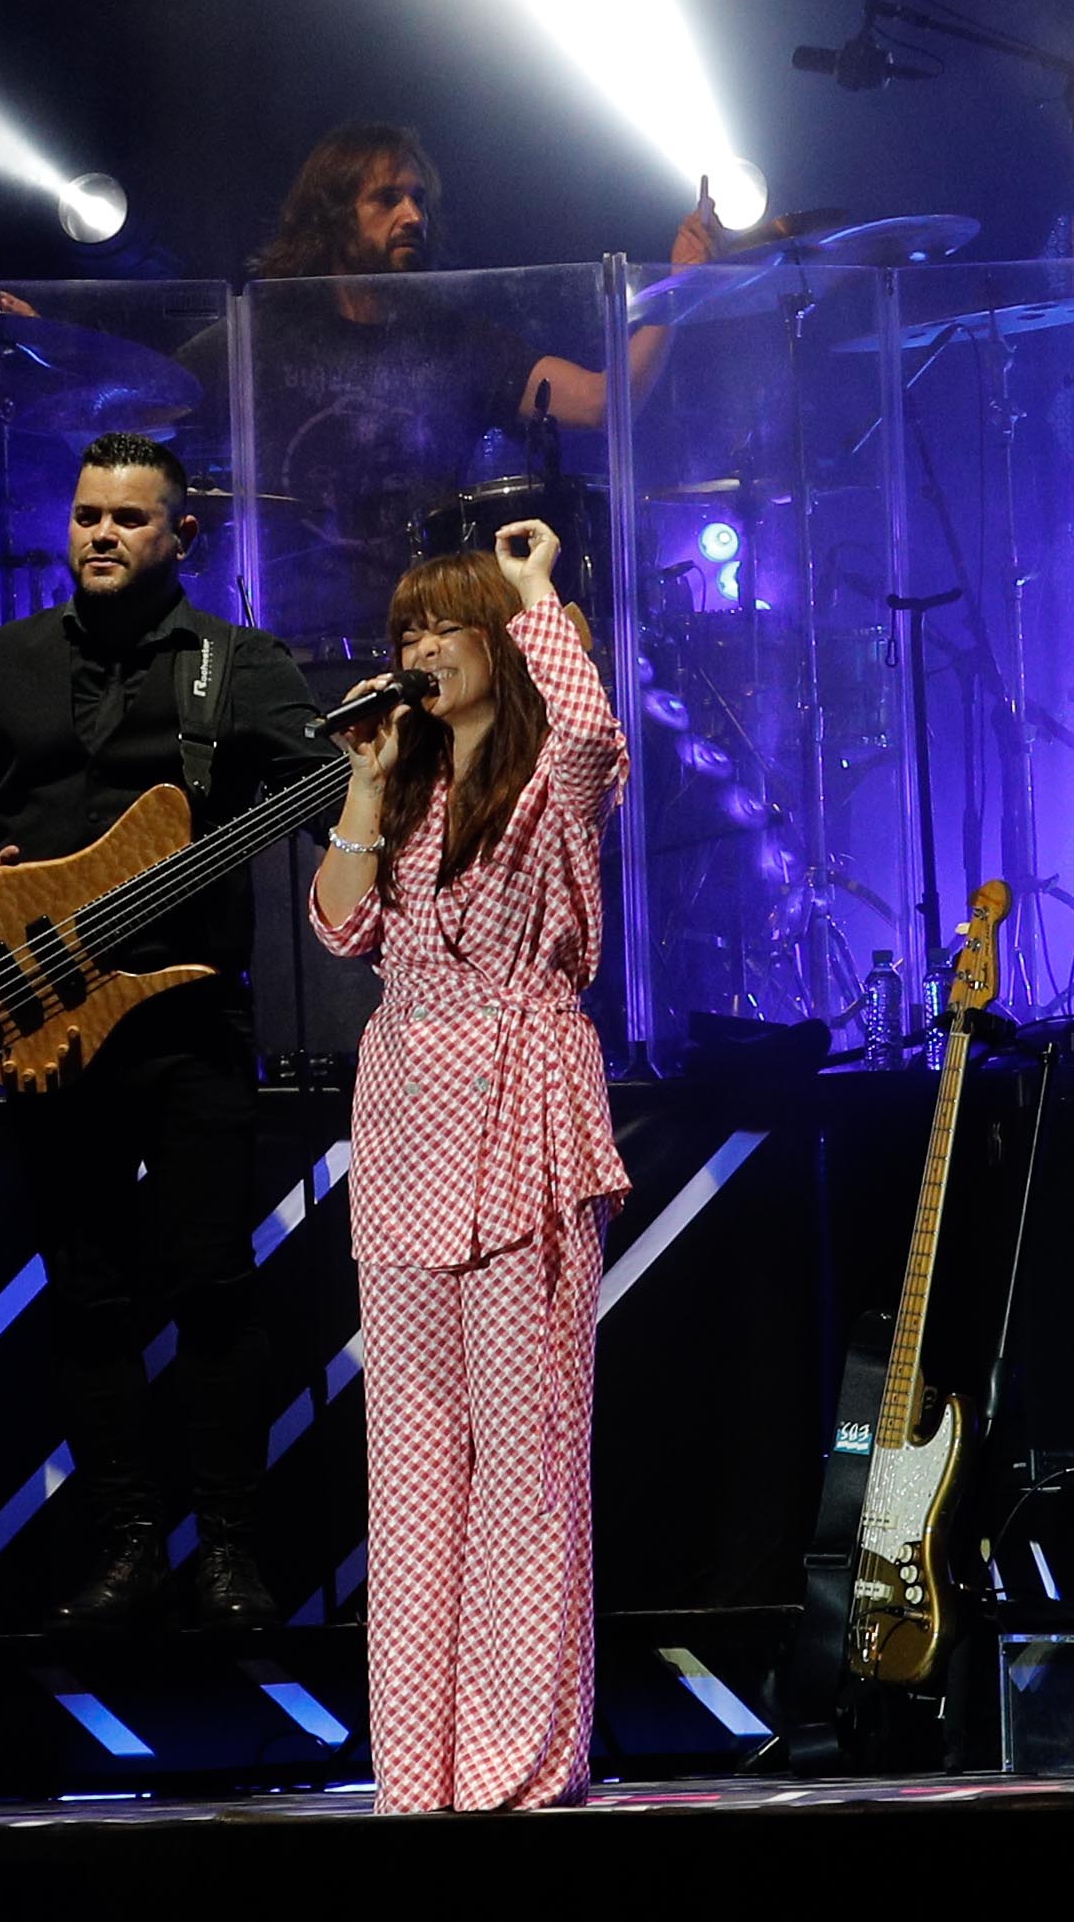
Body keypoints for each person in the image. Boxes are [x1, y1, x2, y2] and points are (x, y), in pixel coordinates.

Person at [0, 431, 337, 1629]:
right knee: (90, 1296)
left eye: (128, 518)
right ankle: (125, 1546)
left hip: (192, 1015)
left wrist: (392, 764)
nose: (100, 533)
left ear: (181, 534)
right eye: (88, 512)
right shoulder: (6, 661)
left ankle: (231, 1550)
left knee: (211, 1284)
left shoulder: (237, 667)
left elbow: (337, 794)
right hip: (39, 1008)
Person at [308, 519, 632, 1811]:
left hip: (518, 1111)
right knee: (411, 1459)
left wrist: (536, 589)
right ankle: (421, 1771)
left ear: (494, 643)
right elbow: (340, 929)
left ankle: (513, 1762)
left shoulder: (551, 781)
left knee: (522, 1453)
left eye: (439, 628)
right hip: (402, 1122)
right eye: (401, 635)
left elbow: (599, 738)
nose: (417, 651)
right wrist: (364, 782)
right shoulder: (411, 793)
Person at [179, 122, 716, 643]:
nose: (413, 216)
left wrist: (679, 289)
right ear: (334, 217)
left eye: (419, 200)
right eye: (387, 199)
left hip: (429, 637)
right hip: (287, 637)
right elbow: (147, 400)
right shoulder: (265, 333)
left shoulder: (454, 339)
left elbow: (599, 403)